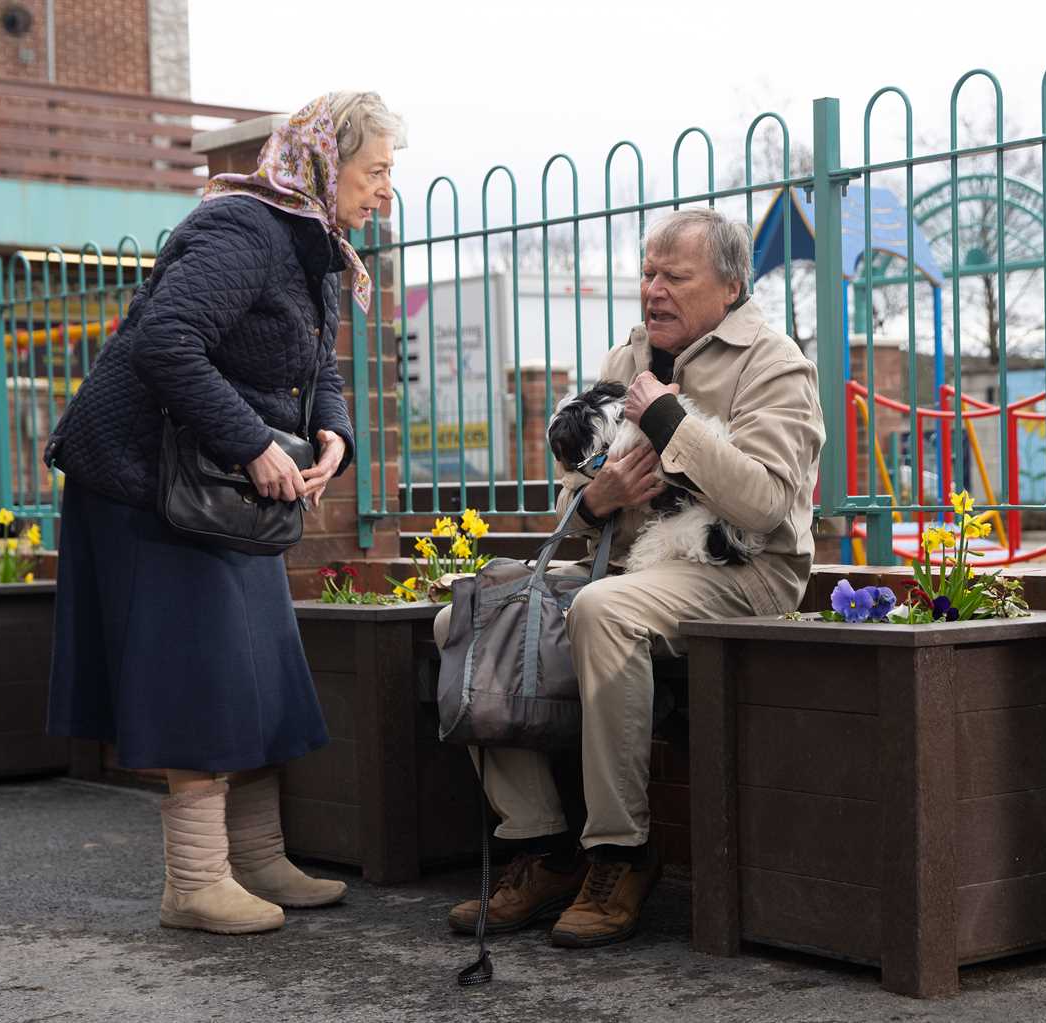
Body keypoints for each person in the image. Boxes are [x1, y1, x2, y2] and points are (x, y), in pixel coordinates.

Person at [44, 93, 404, 935]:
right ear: (324, 162)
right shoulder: (241, 229)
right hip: (147, 480)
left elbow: (321, 367)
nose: (388, 191)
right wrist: (252, 444)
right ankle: (195, 881)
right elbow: (166, 339)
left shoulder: (310, 242)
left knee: (259, 666)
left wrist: (332, 434)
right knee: (199, 670)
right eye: (378, 170)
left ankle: (258, 854)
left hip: (219, 484)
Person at [439, 207, 825, 948]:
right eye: (648, 273)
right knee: (465, 618)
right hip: (621, 562)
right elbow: (571, 497)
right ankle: (543, 844)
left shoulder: (774, 362)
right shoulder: (630, 355)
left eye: (674, 276)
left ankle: (620, 851)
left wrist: (672, 421)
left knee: (603, 609)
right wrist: (598, 498)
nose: (653, 290)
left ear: (730, 284)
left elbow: (767, 502)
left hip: (739, 574)